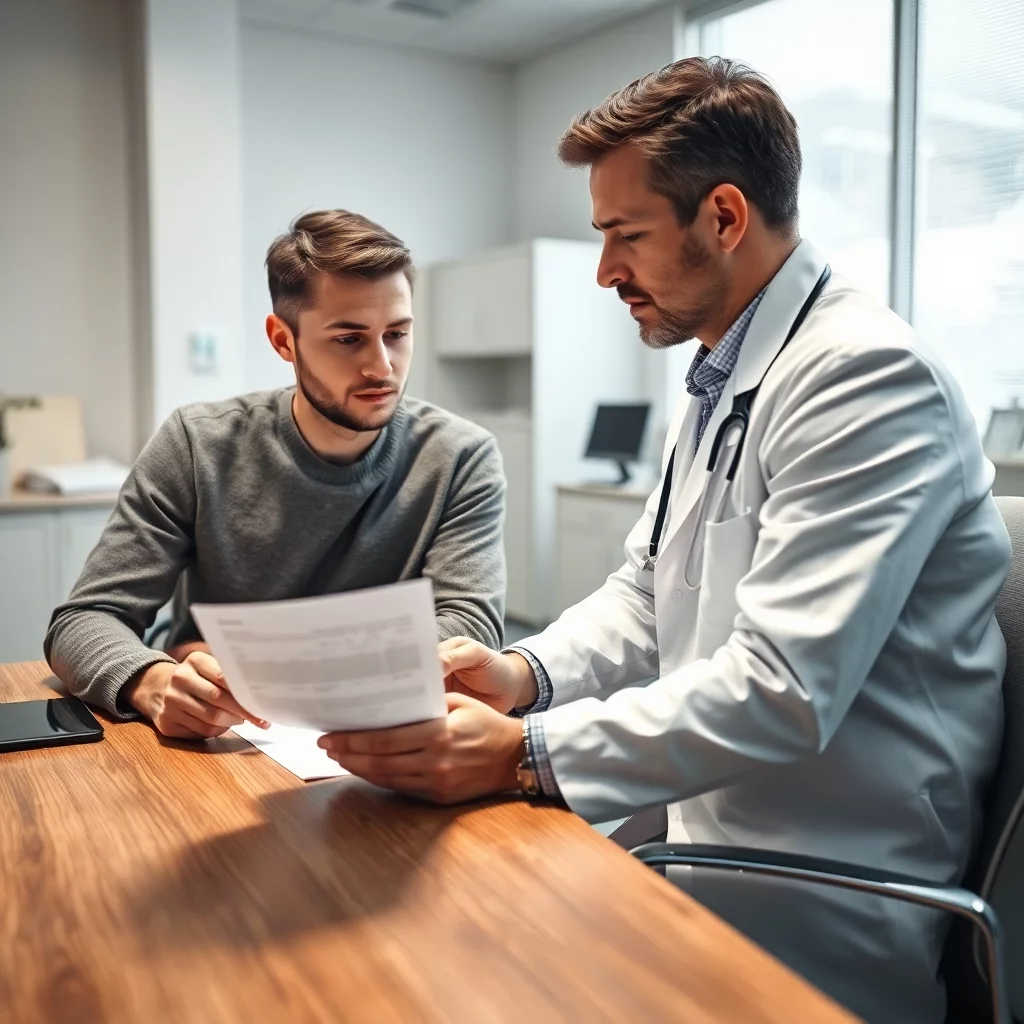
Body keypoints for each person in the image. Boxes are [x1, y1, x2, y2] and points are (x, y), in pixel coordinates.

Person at [317, 59, 1010, 1024]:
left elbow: (784, 689)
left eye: (623, 236)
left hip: (824, 898)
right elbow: (645, 593)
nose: (605, 271)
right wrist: (518, 675)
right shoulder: (724, 374)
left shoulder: (867, 378)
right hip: (699, 838)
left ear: (724, 217)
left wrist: (520, 753)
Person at [46, 209, 506, 741]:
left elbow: (469, 631)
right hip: (221, 740)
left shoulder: (460, 456)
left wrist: (261, 664)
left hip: (382, 747)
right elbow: (83, 621)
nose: (382, 366)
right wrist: (153, 680)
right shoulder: (198, 443)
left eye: (397, 334)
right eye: (349, 339)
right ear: (283, 340)